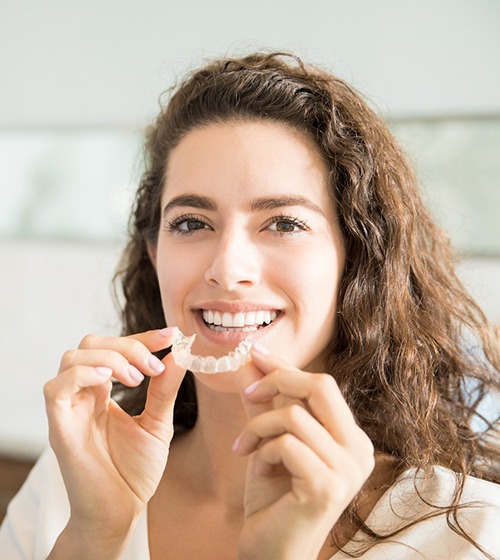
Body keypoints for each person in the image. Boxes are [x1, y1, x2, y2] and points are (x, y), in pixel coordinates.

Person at [1, 51, 499, 559]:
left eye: (284, 223)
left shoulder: (466, 533)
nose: (227, 267)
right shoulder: (72, 484)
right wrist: (93, 537)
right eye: (192, 223)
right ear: (155, 255)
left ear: (358, 261)